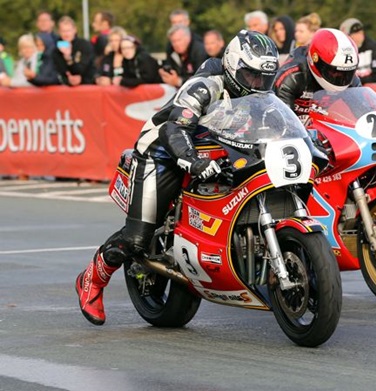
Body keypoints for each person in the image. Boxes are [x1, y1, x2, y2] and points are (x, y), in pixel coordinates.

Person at [75, 30, 279, 326]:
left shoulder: (258, 93)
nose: (258, 84)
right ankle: (92, 279)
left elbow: (277, 122)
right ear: (234, 66)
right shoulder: (205, 85)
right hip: (163, 151)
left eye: (264, 78)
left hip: (216, 150)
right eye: (251, 76)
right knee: (137, 237)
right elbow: (175, 129)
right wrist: (194, 161)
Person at [274, 28, 360, 125]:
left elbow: (363, 110)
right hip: (293, 129)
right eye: (334, 72)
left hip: (321, 128)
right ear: (315, 61)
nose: (340, 77)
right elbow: (281, 120)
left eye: (346, 73)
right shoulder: (291, 76)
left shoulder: (351, 78)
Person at [340, 18, 376, 84]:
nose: (358, 36)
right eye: (353, 34)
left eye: (360, 33)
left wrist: (352, 82)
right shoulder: (342, 51)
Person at [159, 24, 208, 88]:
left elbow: (201, 79)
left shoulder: (199, 51)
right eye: (173, 41)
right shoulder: (171, 50)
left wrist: (179, 81)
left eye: (179, 40)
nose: (176, 44)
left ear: (188, 38)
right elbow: (170, 68)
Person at [52, 16, 96, 85]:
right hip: (64, 87)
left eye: (68, 30)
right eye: (63, 31)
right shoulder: (56, 49)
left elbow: (83, 68)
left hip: (85, 85)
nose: (66, 34)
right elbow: (57, 70)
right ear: (59, 32)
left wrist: (69, 58)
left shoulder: (84, 45)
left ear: (74, 30)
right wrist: (67, 80)